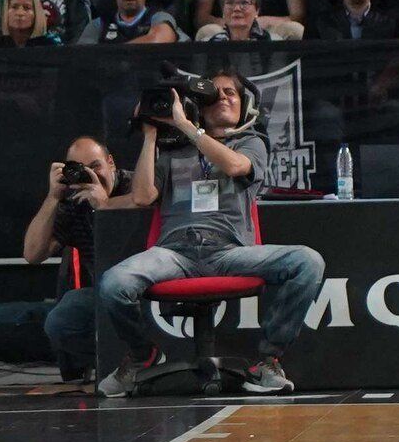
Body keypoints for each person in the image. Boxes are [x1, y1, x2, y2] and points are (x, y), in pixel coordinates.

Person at [98, 70, 325, 397]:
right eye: (214, 93)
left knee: (307, 261)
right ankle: (141, 355)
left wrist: (189, 129)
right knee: (114, 283)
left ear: (245, 104)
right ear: (200, 105)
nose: (223, 98)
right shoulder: (174, 151)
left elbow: (235, 167)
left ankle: (267, 359)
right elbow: (143, 196)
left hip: (230, 252)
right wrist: (150, 135)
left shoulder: (252, 141)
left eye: (231, 92)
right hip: (174, 253)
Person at [24, 137, 132, 382]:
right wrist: (53, 197)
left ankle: (142, 357)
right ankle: (120, 361)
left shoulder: (135, 185)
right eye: (80, 169)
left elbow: (147, 204)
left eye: (95, 166)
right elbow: (32, 254)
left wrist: (105, 205)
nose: (89, 175)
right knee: (62, 319)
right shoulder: (74, 202)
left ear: (111, 163)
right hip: (102, 294)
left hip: (147, 290)